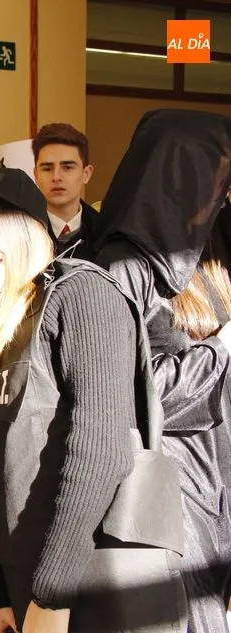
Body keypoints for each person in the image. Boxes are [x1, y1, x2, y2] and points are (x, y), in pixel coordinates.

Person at [0, 166, 187, 633]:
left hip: (89, 589)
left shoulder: (83, 293)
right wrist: (4, 593)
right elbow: (5, 469)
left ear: (30, 228)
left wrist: (51, 594)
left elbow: (101, 450)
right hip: (29, 585)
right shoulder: (7, 324)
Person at [92, 109, 231, 633]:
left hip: (216, 473)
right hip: (169, 486)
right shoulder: (122, 266)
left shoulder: (209, 252)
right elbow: (131, 390)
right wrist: (222, 348)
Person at [31, 123, 99, 259]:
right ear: (36, 175)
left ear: (86, 174)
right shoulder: (18, 232)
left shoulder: (105, 232)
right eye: (47, 168)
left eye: (67, 167)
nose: (56, 177)